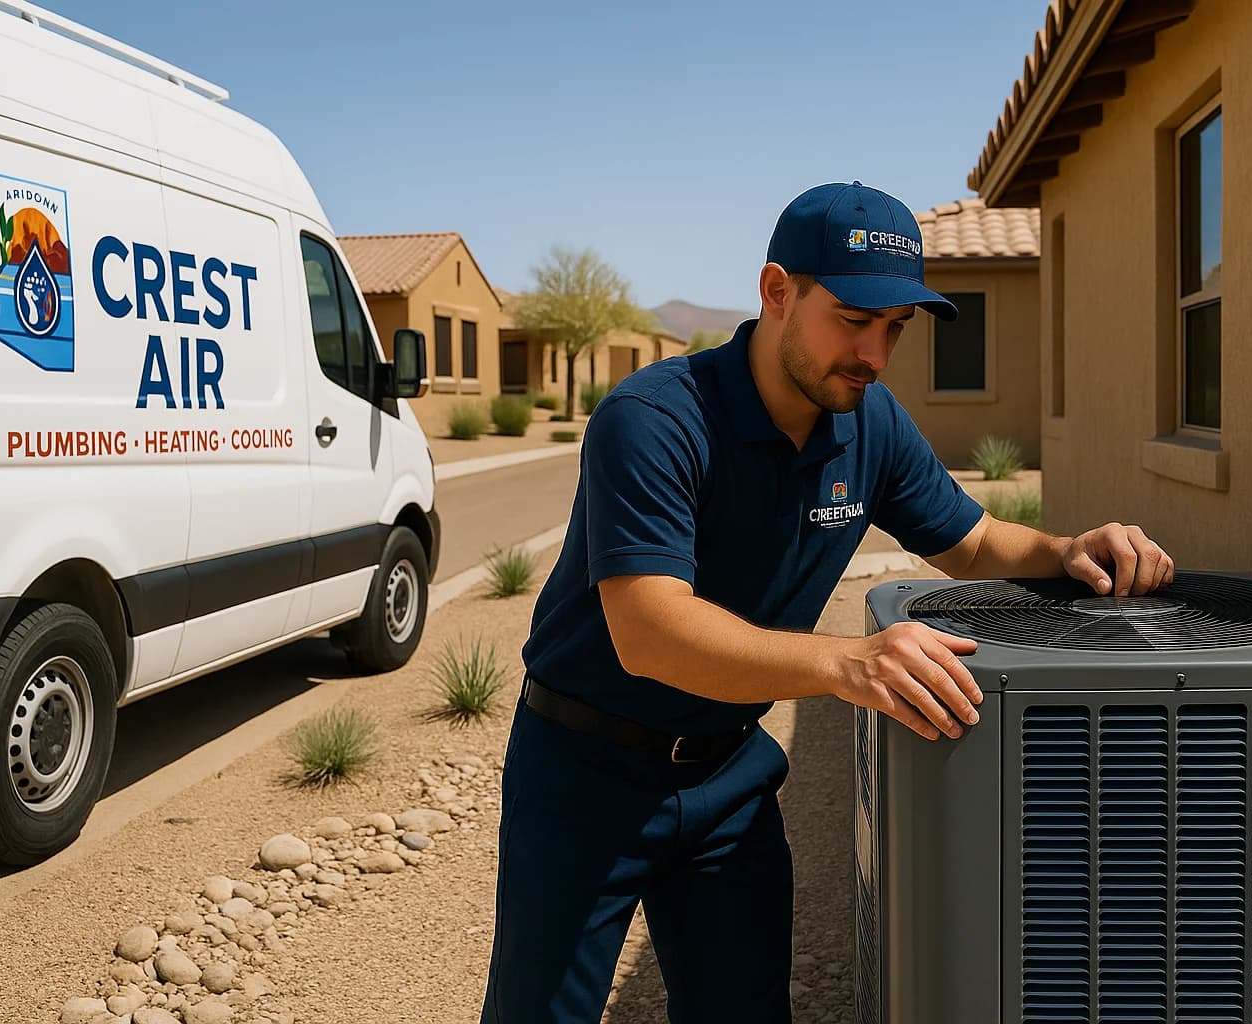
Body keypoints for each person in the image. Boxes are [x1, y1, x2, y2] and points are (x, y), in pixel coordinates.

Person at [479, 181, 1175, 1023]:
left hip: (726, 773)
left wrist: (1065, 550)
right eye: (854, 320)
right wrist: (847, 662)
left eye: (895, 330)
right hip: (584, 772)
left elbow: (975, 540)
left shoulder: (868, 422)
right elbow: (649, 630)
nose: (875, 356)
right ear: (778, 292)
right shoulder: (654, 419)